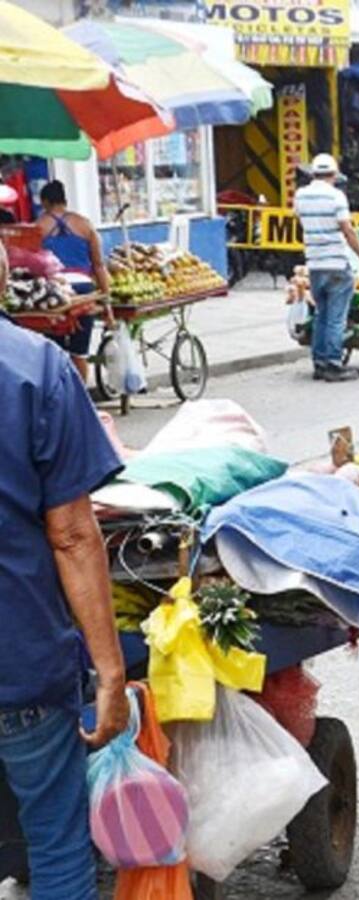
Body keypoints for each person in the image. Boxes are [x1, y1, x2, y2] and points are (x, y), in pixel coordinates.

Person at [0, 241, 130, 899]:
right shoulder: (35, 366)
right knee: (55, 846)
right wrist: (110, 669)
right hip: (20, 662)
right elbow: (75, 536)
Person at [294, 153, 359, 382]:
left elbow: (301, 220)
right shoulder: (336, 196)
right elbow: (347, 230)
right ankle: (333, 363)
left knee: (321, 313)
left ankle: (319, 362)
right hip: (336, 262)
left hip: (315, 262)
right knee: (336, 316)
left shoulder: (301, 195)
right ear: (334, 174)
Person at [35, 181, 112, 384]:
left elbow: (32, 265)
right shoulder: (85, 225)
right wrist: (107, 301)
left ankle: (59, 396)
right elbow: (99, 265)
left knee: (55, 349)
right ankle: (82, 398)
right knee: (79, 351)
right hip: (84, 290)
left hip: (54, 293)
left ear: (45, 202)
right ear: (64, 200)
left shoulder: (37, 227)